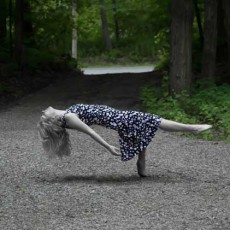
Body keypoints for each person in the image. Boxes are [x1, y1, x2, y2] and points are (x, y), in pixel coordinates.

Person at [37, 104, 212, 177]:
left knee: (145, 126)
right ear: (52, 120)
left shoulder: (67, 112)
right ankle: (193, 128)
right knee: (154, 121)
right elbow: (91, 132)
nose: (44, 111)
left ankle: (141, 163)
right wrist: (108, 147)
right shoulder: (69, 117)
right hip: (120, 118)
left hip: (118, 116)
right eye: (44, 115)